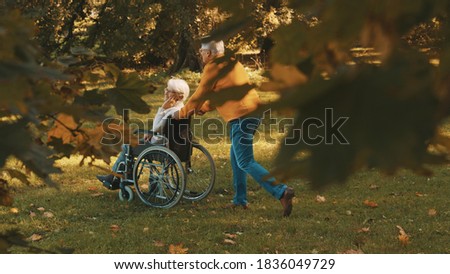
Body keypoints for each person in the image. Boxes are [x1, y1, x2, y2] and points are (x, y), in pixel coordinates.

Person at [174, 39, 295, 217]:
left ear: (209, 53)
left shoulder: (212, 67)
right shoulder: (232, 62)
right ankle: (240, 200)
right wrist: (203, 108)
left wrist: (183, 113)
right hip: (252, 111)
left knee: (245, 161)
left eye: (201, 51)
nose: (200, 54)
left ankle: (281, 191)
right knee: (236, 158)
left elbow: (200, 93)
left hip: (242, 116)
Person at [96, 78, 190, 189]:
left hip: (159, 147)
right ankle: (119, 176)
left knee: (127, 146)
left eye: (169, 91)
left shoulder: (171, 111)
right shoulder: (182, 110)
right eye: (166, 89)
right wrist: (151, 133)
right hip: (175, 147)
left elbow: (156, 127)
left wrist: (162, 109)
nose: (165, 92)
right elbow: (159, 129)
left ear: (179, 96)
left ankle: (116, 178)